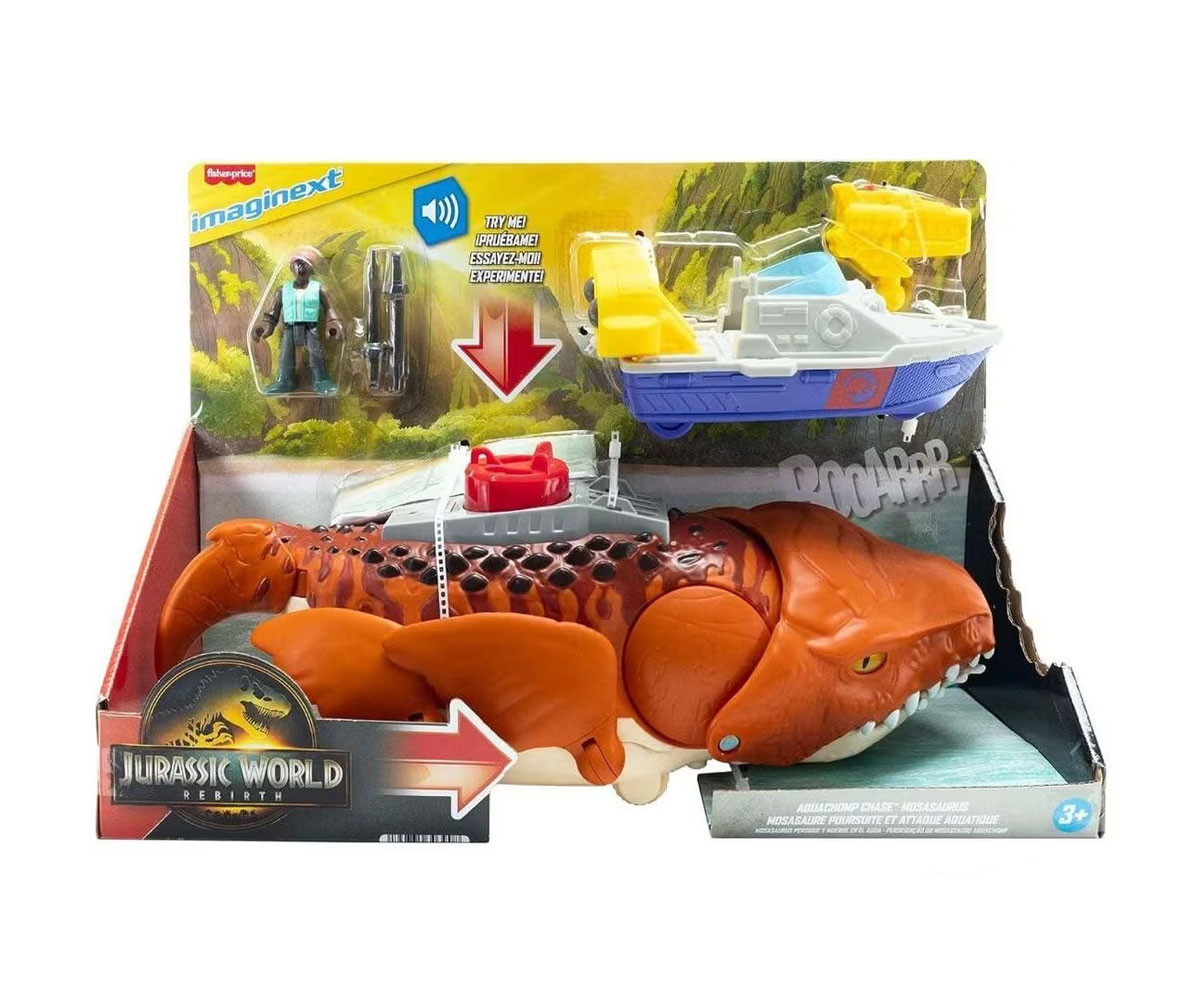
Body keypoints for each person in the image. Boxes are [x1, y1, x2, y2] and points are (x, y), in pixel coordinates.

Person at [253, 248, 342, 395]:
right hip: (290, 328)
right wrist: (266, 324)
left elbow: (329, 308)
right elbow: (273, 311)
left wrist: (333, 322)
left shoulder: (319, 289)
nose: (301, 267)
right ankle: (285, 380)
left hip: (310, 327)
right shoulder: (283, 290)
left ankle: (321, 379)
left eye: (306, 264)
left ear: (312, 269)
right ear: (291, 267)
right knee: (286, 355)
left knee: (315, 354)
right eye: (297, 263)